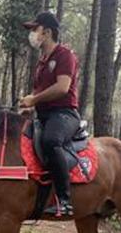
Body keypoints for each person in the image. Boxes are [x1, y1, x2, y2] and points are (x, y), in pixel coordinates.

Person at [19, 11, 81, 217]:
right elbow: (41, 93)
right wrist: (31, 107)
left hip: (65, 114)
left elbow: (63, 87)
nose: (32, 34)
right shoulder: (42, 61)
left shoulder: (65, 55)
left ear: (46, 32)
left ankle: (65, 200)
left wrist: (34, 100)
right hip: (44, 115)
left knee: (51, 141)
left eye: (34, 29)